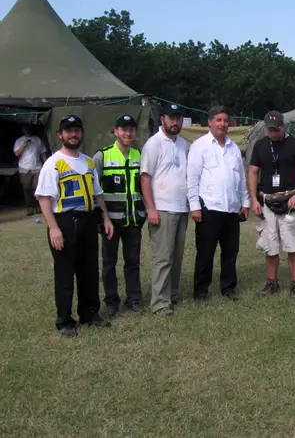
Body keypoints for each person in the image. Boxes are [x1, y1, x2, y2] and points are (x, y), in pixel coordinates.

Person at [34, 115, 114, 338]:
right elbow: (44, 198)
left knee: (89, 270)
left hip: (88, 220)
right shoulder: (53, 163)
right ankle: (65, 320)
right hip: (65, 221)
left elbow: (98, 195)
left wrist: (105, 218)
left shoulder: (88, 162)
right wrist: (53, 228)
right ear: (60, 135)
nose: (73, 134)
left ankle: (89, 313)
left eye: (77, 130)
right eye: (68, 131)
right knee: (65, 272)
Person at [187, 106, 250, 304]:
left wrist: (245, 202)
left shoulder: (233, 148)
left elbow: (241, 178)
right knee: (206, 253)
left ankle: (229, 288)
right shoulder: (200, 145)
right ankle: (200, 292)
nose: (222, 124)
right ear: (210, 122)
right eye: (218, 120)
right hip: (209, 208)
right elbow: (192, 178)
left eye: (225, 120)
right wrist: (194, 206)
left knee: (230, 252)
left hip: (231, 209)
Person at [248, 111, 295, 299]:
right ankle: (272, 282)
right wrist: (253, 198)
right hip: (267, 200)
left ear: (283, 126)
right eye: (270, 129)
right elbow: (253, 172)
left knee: (292, 245)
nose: (273, 133)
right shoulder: (260, 146)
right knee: (270, 245)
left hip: (290, 201)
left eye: (276, 129)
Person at [93, 114, 146, 318]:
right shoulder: (103, 156)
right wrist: (102, 217)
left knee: (133, 261)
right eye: (123, 129)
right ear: (115, 132)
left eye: (131, 129)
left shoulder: (139, 155)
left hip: (134, 220)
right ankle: (112, 302)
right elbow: (94, 190)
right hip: (111, 222)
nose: (128, 133)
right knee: (109, 263)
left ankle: (133, 299)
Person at [140, 104, 189, 317]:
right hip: (162, 208)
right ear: (162, 119)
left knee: (176, 256)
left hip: (181, 207)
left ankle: (172, 295)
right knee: (163, 257)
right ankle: (159, 303)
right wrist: (151, 207)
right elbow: (145, 177)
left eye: (178, 118)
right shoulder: (153, 144)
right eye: (171, 118)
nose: (175, 122)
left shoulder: (183, 144)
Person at [14, 125, 48, 215]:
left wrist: (46, 164)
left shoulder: (37, 139)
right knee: (26, 188)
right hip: (24, 168)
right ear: (22, 129)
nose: (26, 129)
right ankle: (29, 206)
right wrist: (24, 144)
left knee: (37, 187)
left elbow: (43, 152)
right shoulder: (19, 141)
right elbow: (17, 154)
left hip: (37, 167)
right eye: (24, 128)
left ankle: (37, 206)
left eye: (27, 128)